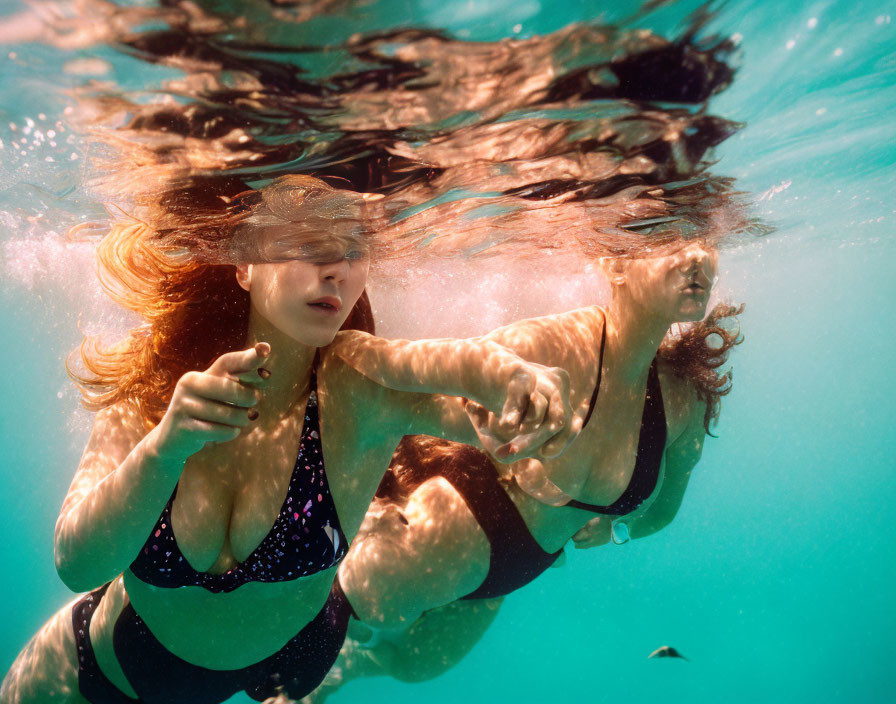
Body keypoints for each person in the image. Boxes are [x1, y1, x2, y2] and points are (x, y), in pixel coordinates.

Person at [0, 175, 578, 704]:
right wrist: (165, 447)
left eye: (355, 249)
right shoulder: (155, 395)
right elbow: (76, 564)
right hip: (118, 669)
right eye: (308, 240)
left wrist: (514, 390)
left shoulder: (356, 390)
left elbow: (449, 378)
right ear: (243, 264)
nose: (337, 269)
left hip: (298, 654)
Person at [293, 236, 742, 700]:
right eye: (669, 239)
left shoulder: (684, 404)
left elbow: (663, 510)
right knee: (362, 608)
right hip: (445, 522)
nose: (697, 257)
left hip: (514, 569)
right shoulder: (553, 344)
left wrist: (615, 531)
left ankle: (340, 672)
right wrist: (366, 487)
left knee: (415, 666)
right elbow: (396, 384)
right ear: (614, 264)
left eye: (705, 242)